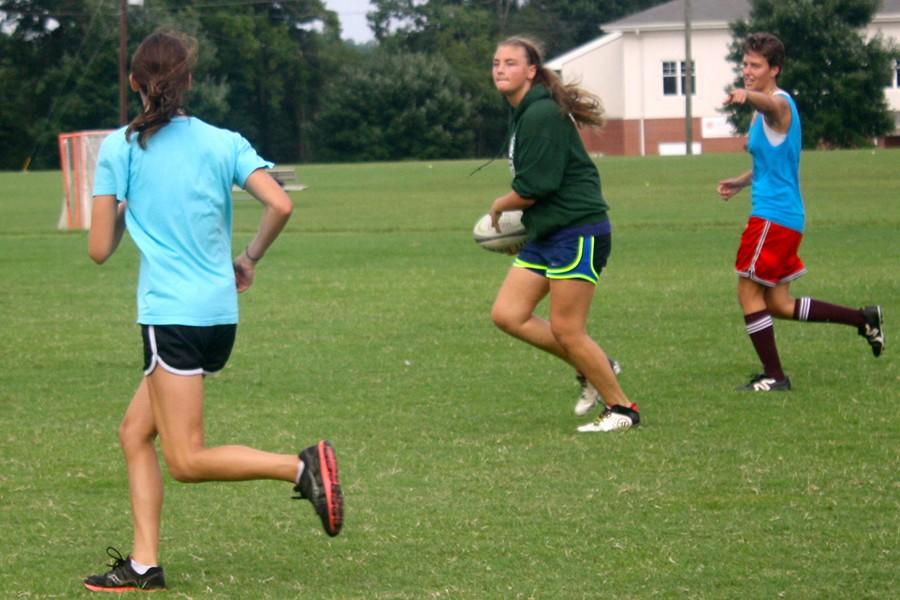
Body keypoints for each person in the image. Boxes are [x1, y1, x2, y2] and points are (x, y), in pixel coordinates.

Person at [83, 30, 343, 593]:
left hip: (171, 318)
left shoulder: (119, 148)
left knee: (186, 459)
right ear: (189, 83)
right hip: (218, 317)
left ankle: (300, 466)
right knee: (134, 432)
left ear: (134, 84)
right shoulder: (223, 141)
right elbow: (280, 202)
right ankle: (144, 564)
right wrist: (247, 258)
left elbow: (99, 249)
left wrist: (126, 204)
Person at [718, 32, 885, 392]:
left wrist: (749, 96)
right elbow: (775, 163)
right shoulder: (761, 114)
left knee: (748, 294)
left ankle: (775, 377)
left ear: (774, 69)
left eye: (756, 65)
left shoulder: (779, 105)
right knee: (778, 303)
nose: (747, 70)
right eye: (745, 64)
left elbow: (770, 106)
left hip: (772, 219)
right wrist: (741, 182)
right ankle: (863, 319)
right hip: (785, 216)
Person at [487, 36, 639, 432]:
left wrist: (501, 205)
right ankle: (595, 365)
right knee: (508, 314)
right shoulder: (525, 111)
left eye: (510, 63)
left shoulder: (539, 114)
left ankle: (622, 409)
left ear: (531, 71)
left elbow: (538, 186)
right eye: (496, 63)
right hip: (550, 232)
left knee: (568, 330)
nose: (500, 69)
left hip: (577, 230)